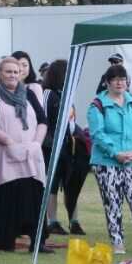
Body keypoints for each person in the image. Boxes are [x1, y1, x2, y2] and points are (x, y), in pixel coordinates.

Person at [0, 57, 50, 253]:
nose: (12, 75)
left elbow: (43, 120)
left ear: (21, 74)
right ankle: (5, 240)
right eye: (8, 71)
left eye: (15, 72)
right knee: (7, 198)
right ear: (0, 73)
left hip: (29, 155)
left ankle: (37, 241)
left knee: (33, 197)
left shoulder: (29, 95)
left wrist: (36, 143)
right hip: (5, 156)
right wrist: (9, 142)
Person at [88, 64, 132, 255]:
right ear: (107, 83)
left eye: (122, 79)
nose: (119, 83)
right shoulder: (97, 105)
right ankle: (117, 242)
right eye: (115, 79)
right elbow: (97, 134)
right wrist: (115, 153)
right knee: (113, 202)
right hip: (108, 163)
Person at [42, 58, 90, 237]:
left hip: (69, 144)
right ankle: (52, 221)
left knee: (71, 183)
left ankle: (74, 220)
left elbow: (71, 120)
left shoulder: (67, 94)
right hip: (52, 146)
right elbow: (44, 119)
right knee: (52, 184)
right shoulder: (48, 93)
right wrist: (49, 142)